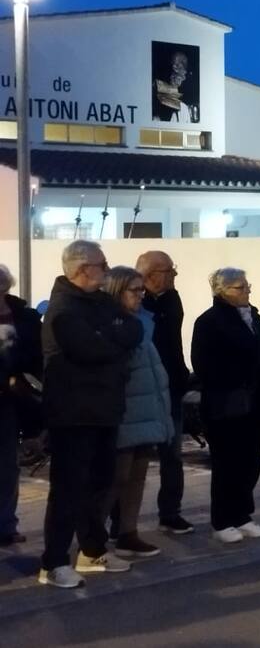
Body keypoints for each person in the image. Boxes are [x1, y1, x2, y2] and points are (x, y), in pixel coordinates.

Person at [39, 240, 144, 588]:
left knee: (100, 483)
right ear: (83, 269)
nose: (107, 269)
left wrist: (109, 336)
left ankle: (92, 550)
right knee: (68, 488)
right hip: (73, 411)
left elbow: (133, 330)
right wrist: (111, 338)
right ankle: (54, 562)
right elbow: (88, 349)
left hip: (105, 407)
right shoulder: (63, 308)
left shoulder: (101, 301)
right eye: (102, 264)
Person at [191, 268, 260, 544]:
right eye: (239, 287)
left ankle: (242, 515)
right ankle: (222, 520)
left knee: (250, 461)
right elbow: (203, 364)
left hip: (254, 401)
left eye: (246, 285)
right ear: (222, 291)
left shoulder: (252, 317)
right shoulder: (209, 321)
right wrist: (236, 379)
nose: (246, 291)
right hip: (226, 404)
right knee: (227, 463)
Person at [103, 267, 174, 558]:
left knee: (137, 476)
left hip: (146, 410)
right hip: (125, 411)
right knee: (115, 478)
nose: (141, 295)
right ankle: (93, 539)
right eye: (135, 290)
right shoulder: (111, 323)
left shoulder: (142, 320)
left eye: (141, 289)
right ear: (117, 291)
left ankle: (128, 532)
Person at [134, 250, 193, 536]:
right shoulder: (134, 302)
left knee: (173, 455)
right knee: (134, 459)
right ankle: (120, 522)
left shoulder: (171, 298)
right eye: (168, 270)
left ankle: (170, 512)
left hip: (170, 385)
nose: (174, 275)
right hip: (141, 390)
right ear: (148, 275)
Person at [0, 264, 41, 548]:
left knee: (7, 466)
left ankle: (5, 525)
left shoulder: (24, 316)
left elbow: (37, 355)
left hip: (12, 398)